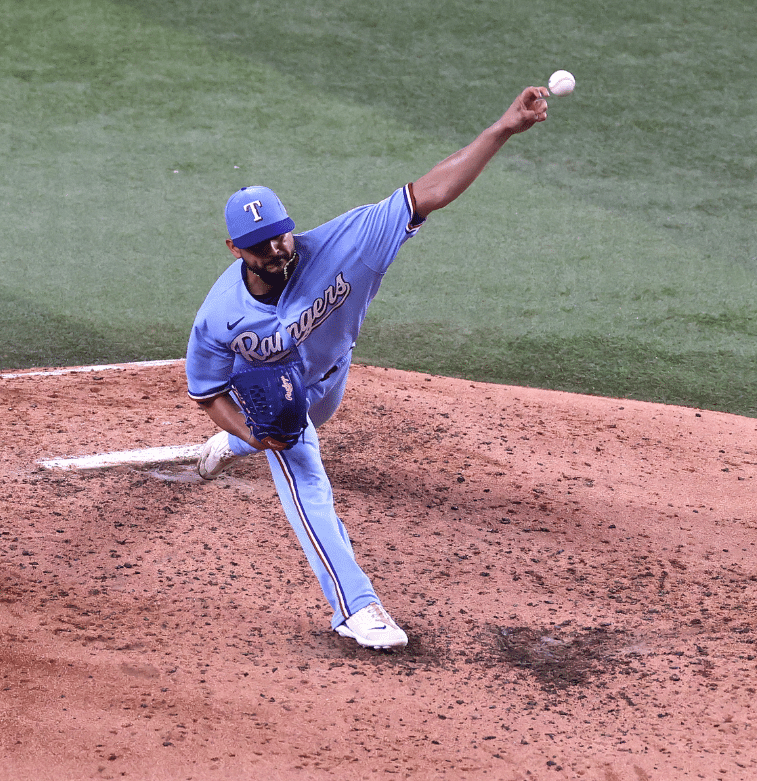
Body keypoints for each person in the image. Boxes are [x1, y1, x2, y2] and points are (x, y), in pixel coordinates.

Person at [184, 86, 550, 649]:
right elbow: (207, 392)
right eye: (260, 246)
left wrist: (502, 127)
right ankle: (355, 607)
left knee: (304, 411)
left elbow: (430, 191)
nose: (277, 251)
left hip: (331, 382)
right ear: (235, 249)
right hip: (276, 401)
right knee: (305, 477)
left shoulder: (347, 243)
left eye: (280, 234)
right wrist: (256, 431)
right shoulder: (218, 318)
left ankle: (234, 449)